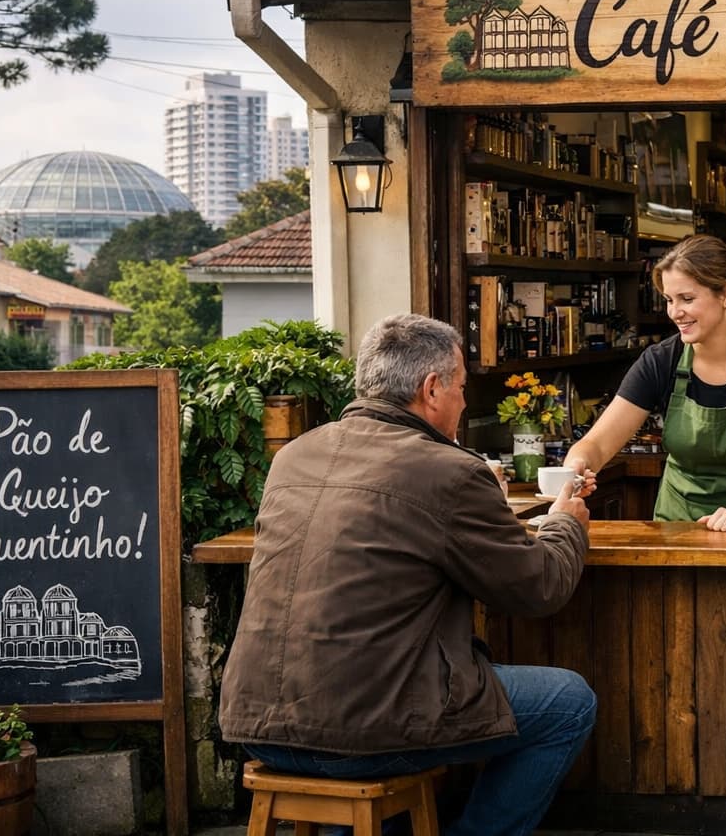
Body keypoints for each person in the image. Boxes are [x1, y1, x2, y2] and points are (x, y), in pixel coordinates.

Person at [219, 314, 596, 836]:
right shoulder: (451, 470)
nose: (465, 402)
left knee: (375, 711)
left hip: (255, 722)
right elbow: (539, 587)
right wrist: (564, 524)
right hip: (365, 731)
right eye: (462, 388)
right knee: (568, 702)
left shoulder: (295, 455)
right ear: (432, 388)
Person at [564, 234, 726, 529]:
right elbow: (598, 443)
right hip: (681, 526)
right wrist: (577, 464)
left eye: (687, 299)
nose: (675, 312)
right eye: (670, 300)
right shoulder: (661, 361)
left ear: (725, 294)